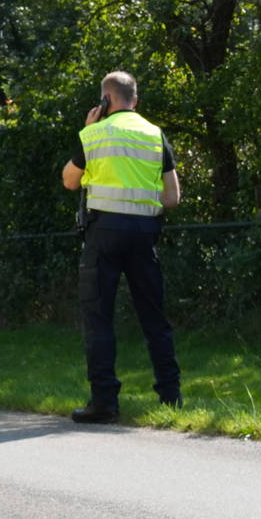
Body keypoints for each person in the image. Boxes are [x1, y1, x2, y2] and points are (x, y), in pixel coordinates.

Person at [59, 71, 182, 422]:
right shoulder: (155, 134)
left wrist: (87, 130)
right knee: (154, 317)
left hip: (104, 233)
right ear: (135, 100)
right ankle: (171, 398)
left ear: (105, 100)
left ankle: (105, 402)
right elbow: (172, 197)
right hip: (144, 233)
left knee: (98, 318)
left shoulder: (94, 134)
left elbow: (70, 181)